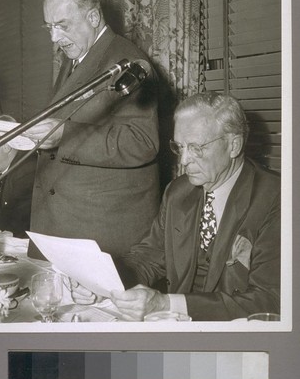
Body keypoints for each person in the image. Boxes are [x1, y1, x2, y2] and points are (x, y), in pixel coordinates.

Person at [71, 92, 280, 321]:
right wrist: (103, 282)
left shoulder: (276, 197)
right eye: (179, 147)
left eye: (196, 148)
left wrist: (166, 303)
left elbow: (268, 299)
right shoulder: (178, 192)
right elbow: (150, 256)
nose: (183, 160)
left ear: (234, 145)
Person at [14, 0, 160, 258]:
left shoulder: (126, 61)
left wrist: (64, 135)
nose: (54, 39)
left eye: (63, 26)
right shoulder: (78, 56)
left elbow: (142, 142)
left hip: (100, 231)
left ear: (93, 17)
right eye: (50, 27)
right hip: (66, 221)